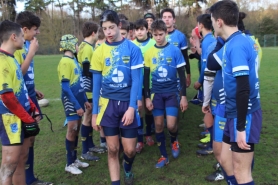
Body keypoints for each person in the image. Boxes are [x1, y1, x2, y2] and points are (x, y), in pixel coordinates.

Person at [208, 1, 262, 184]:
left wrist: (240, 128)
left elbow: (243, 87)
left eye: (212, 20)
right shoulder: (231, 43)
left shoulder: (237, 44)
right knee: (225, 161)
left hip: (244, 114)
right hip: (232, 112)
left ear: (220, 22)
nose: (212, 24)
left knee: (241, 173)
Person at [91, 10, 143, 185]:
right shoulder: (99, 51)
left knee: (129, 150)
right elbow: (96, 85)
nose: (109, 32)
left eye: (111, 27)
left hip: (127, 103)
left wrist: (131, 107)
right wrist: (94, 114)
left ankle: (127, 168)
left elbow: (136, 80)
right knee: (112, 149)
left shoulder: (133, 49)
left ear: (119, 26)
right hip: (108, 106)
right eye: (105, 29)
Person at [14, 11, 52, 185]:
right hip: (20, 101)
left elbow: (25, 73)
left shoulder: (29, 44)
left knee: (31, 138)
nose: (37, 33)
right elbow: (15, 75)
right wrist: (30, 54)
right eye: (35, 29)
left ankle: (30, 178)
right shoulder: (15, 47)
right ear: (25, 29)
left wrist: (33, 88)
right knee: (20, 146)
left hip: (30, 95)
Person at [0, 20, 40, 185]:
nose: (25, 40)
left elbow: (21, 89)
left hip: (22, 117)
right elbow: (7, 97)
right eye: (23, 37)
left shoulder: (13, 59)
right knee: (9, 165)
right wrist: (27, 118)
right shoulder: (2, 61)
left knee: (21, 161)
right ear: (13, 37)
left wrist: (33, 108)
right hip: (10, 120)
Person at [144, 19, 188, 168]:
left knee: (170, 125)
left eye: (161, 34)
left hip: (171, 93)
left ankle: (174, 140)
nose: (158, 37)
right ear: (152, 34)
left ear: (166, 32)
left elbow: (181, 74)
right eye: (155, 35)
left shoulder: (175, 50)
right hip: (156, 94)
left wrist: (183, 96)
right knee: (158, 125)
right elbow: (145, 77)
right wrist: (146, 97)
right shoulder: (149, 53)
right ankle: (163, 155)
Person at [58, 34, 91, 175]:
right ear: (71, 45)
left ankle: (74, 158)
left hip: (78, 100)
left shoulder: (74, 61)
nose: (78, 46)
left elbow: (80, 84)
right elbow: (66, 88)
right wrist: (76, 105)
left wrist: (84, 100)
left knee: (76, 129)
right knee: (72, 129)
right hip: (70, 101)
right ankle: (69, 163)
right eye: (76, 44)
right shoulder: (65, 62)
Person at [77, 21, 105, 161]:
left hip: (85, 86)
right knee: (88, 117)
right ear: (94, 33)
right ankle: (85, 150)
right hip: (88, 88)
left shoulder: (82, 45)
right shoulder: (87, 47)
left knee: (88, 116)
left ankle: (90, 145)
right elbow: (87, 69)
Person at [194, 14, 216, 156]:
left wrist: (200, 81)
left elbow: (205, 66)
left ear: (201, 25)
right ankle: (211, 142)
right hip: (210, 81)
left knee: (210, 112)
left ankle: (212, 144)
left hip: (210, 82)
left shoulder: (209, 41)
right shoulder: (209, 40)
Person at [132, 18, 156, 153]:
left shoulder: (153, 43)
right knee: (138, 110)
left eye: (142, 29)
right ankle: (140, 140)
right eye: (137, 29)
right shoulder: (131, 45)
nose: (139, 32)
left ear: (147, 30)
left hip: (151, 82)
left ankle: (148, 135)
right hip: (137, 83)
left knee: (149, 109)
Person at [161, 8, 191, 87]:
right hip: (161, 74)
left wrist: (188, 75)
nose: (167, 19)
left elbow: (185, 57)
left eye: (169, 17)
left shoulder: (180, 36)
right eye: (164, 17)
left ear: (174, 20)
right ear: (161, 20)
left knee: (179, 97)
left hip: (177, 74)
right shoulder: (156, 37)